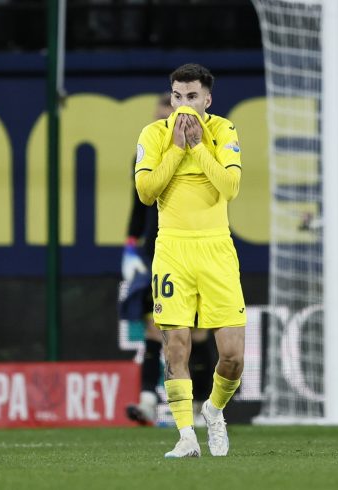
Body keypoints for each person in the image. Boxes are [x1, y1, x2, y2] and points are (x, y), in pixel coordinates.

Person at [134, 63, 246, 458]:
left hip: (216, 249)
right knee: (175, 346)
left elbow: (229, 187)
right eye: (178, 97)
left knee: (232, 356)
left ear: (207, 99)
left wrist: (197, 146)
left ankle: (213, 411)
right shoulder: (154, 135)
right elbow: (146, 192)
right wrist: (177, 149)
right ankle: (185, 435)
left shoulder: (223, 130)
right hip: (172, 251)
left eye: (192, 97)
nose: (183, 105)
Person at [122, 93, 214, 428]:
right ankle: (148, 401)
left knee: (198, 332)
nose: (162, 123)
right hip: (156, 254)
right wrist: (130, 247)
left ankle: (202, 405)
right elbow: (138, 206)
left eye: (168, 116)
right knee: (154, 327)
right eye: (159, 118)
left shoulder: (202, 150)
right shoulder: (145, 153)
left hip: (196, 248)